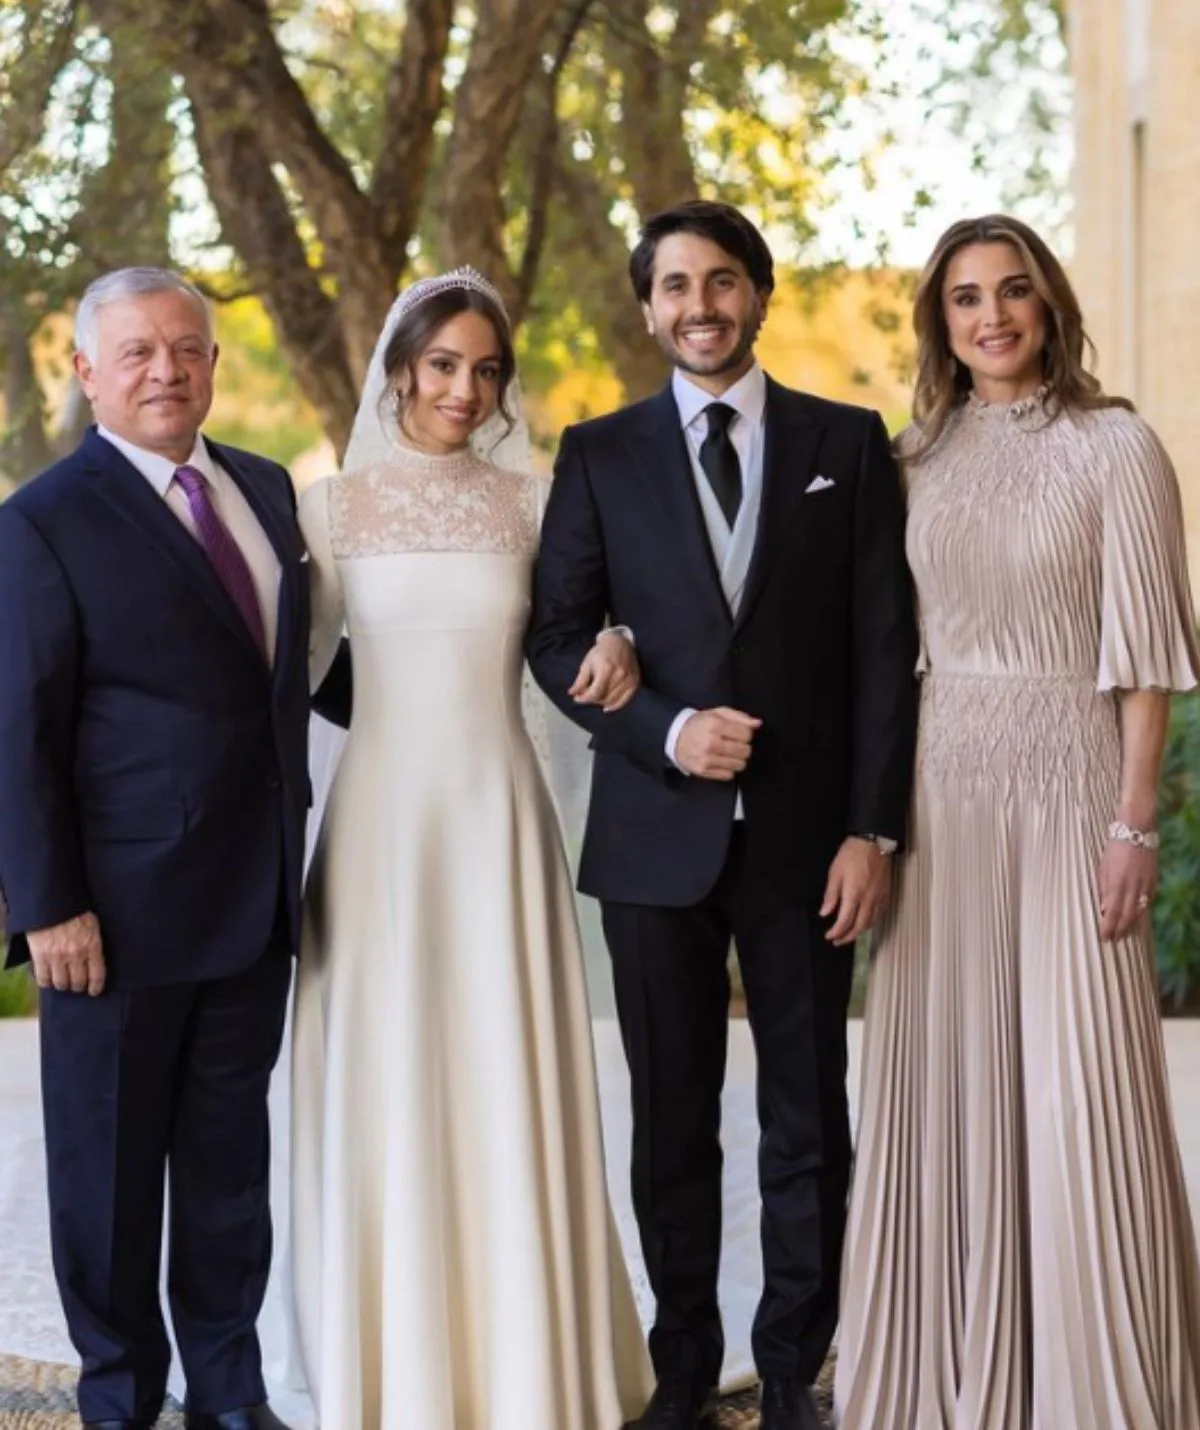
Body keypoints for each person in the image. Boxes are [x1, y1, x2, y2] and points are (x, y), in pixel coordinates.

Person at [526, 201, 920, 1430]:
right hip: (653, 839)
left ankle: (793, 1365)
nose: (701, 304)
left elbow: (884, 650)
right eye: (677, 285)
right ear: (648, 306)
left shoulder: (848, 444)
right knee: (671, 1118)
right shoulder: (596, 452)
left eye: (724, 281)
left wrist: (874, 827)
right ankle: (684, 1367)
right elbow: (554, 636)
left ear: (759, 294)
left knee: (810, 1112)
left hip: (811, 844)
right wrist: (664, 729)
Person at [835, 214, 1200, 1429]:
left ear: (1049, 306)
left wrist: (1134, 821)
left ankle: (1095, 1376)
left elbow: (1143, 661)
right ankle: (945, 1364)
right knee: (943, 1072)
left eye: (1013, 292)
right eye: (964, 299)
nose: (990, 316)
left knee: (1080, 1079)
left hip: (1069, 781)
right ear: (939, 319)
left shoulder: (1119, 446)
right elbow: (866, 644)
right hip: (938, 793)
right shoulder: (910, 456)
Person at [290, 266, 652, 1430]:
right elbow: (281, 679)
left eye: (485, 368)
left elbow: (586, 629)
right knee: (389, 1073)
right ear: (400, 364)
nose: (463, 387)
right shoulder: (330, 508)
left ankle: (526, 1364)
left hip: (499, 817)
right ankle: (387, 1367)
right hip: (380, 824)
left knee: (504, 1065)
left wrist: (624, 640)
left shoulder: (538, 504)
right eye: (442, 363)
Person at [0, 268, 348, 1430]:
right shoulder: (41, 521)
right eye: (138, 351)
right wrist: (47, 903)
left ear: (212, 361)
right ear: (89, 371)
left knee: (225, 1179)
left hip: (251, 901)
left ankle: (231, 1396)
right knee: (104, 1185)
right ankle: (119, 1402)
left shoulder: (263, 487)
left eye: (186, 348)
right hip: (112, 918)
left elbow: (295, 674)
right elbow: (18, 728)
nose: (166, 369)